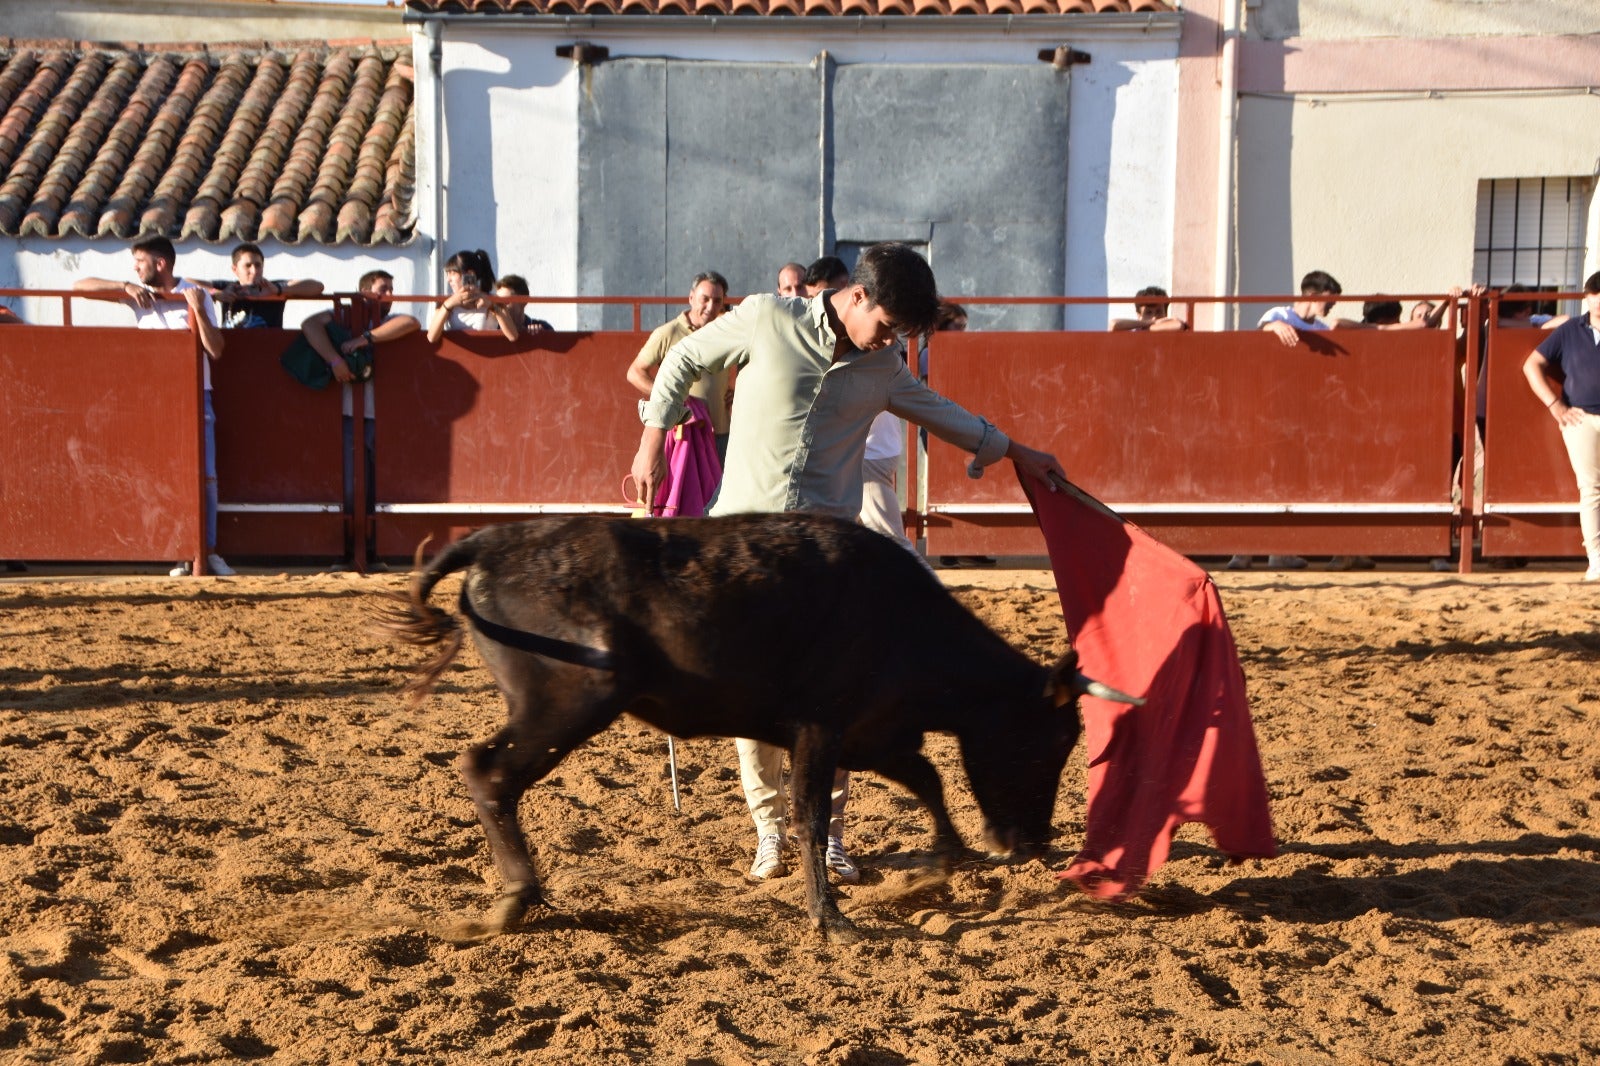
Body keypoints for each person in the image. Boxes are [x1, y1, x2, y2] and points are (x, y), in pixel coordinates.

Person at [630, 242, 1066, 884]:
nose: (886, 342)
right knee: (752, 699)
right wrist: (651, 446)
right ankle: (770, 833)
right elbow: (682, 359)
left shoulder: (883, 364)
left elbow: (942, 414)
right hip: (742, 549)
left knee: (835, 701)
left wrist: (1016, 451)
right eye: (886, 326)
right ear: (856, 297)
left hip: (826, 566)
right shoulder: (765, 317)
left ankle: (828, 836)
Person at [74, 236, 230, 576]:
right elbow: (80, 286)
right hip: (155, 400)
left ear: (160, 264)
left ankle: (209, 551)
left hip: (194, 392)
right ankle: (181, 552)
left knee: (207, 476)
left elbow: (216, 350)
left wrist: (197, 311)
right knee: (165, 476)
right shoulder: (136, 293)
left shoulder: (196, 293)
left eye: (139, 262)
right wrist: (125, 286)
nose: (135, 267)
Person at [300, 269, 421, 566]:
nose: (389, 296)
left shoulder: (386, 322)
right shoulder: (342, 317)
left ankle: (371, 551)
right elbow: (309, 324)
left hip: (378, 416)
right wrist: (335, 359)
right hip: (349, 414)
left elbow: (412, 322)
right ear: (365, 291)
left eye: (392, 289)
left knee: (375, 486)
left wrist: (363, 339)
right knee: (351, 487)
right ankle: (349, 551)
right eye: (383, 289)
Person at [1522, 270, 1600, 582]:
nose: (1599, 301)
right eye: (1594, 294)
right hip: (1579, 418)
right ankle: (1596, 560)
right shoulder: (1569, 330)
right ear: (1586, 298)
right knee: (1590, 489)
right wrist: (1555, 405)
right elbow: (1532, 365)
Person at [626, 271, 731, 465]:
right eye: (705, 299)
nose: (710, 307)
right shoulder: (669, 332)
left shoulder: (724, 333)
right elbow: (635, 372)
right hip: (684, 433)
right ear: (691, 298)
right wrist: (671, 398)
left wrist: (733, 391)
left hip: (720, 432)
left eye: (717, 301)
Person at [198, 242, 323, 329]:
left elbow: (317, 286)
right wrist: (216, 293)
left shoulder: (272, 286)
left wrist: (278, 290)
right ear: (235, 269)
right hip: (233, 351)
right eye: (248, 266)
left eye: (258, 265)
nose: (254, 271)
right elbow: (188, 282)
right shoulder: (227, 287)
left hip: (268, 352)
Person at [425, 249, 518, 342]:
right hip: (456, 355)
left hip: (489, 352)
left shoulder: (493, 299)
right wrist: (448, 305)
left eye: (453, 273)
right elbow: (431, 337)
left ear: (470, 274)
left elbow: (513, 336)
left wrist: (492, 306)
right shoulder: (445, 302)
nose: (448, 279)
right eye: (448, 274)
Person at [1109, 285, 1189, 332]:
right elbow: (1113, 324)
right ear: (1139, 315)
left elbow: (1178, 325)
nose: (1154, 317)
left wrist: (1147, 328)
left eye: (1159, 311)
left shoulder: (1169, 326)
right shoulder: (1136, 330)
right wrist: (1153, 322)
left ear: (1166, 313)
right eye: (1148, 312)